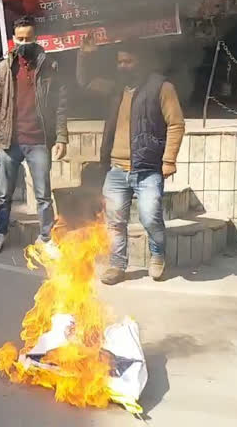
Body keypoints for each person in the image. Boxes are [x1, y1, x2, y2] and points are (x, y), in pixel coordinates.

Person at [78, 36, 185, 285]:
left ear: (142, 62)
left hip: (148, 169)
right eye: (119, 62)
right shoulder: (115, 87)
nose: (122, 66)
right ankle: (117, 265)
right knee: (115, 222)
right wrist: (85, 56)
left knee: (150, 217)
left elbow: (176, 123)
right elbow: (85, 83)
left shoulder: (161, 87)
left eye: (128, 61)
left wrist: (169, 160)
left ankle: (157, 257)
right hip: (115, 170)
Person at [0, 16, 68, 255]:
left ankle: (46, 238)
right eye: (19, 39)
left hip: (39, 141)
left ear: (36, 38)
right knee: (4, 193)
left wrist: (61, 137)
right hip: (10, 140)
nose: (24, 43)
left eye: (28, 38)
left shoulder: (50, 66)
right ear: (13, 39)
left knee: (43, 195)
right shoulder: (4, 66)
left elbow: (60, 105)